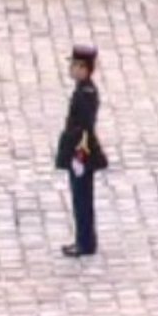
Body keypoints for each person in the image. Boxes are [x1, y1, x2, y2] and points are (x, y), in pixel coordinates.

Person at [55, 45, 106, 258]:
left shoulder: (85, 94)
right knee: (80, 199)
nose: (71, 68)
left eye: (75, 65)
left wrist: (79, 155)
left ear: (85, 68)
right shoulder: (82, 90)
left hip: (81, 154)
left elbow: (84, 128)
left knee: (82, 200)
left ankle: (85, 242)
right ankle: (83, 239)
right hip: (79, 152)